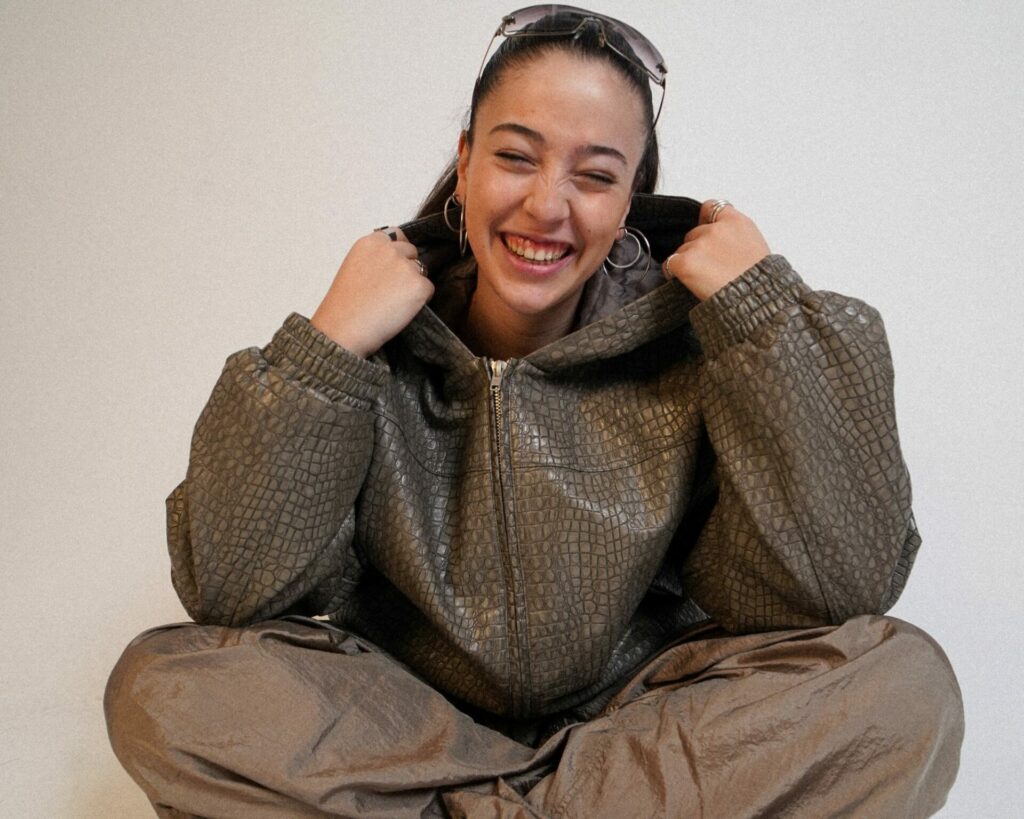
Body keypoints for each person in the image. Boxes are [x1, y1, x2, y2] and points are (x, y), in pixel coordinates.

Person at [105, 6, 964, 817]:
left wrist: (762, 316)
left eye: (596, 176)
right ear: (466, 162)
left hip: (641, 724)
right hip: (413, 731)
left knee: (904, 683)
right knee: (162, 685)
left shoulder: (704, 338)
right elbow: (230, 591)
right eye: (517, 157)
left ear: (629, 203)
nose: (548, 206)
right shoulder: (373, 339)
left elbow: (839, 589)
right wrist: (329, 347)